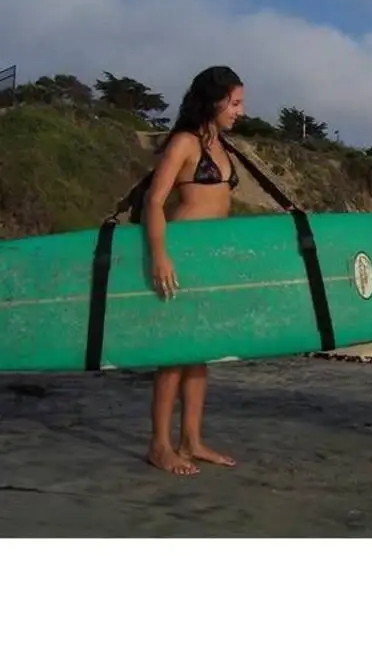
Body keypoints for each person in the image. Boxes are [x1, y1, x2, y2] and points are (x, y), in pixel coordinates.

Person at [142, 65, 245, 476]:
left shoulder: (222, 144)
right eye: (234, 103)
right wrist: (159, 255)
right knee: (175, 353)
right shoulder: (184, 143)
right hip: (181, 257)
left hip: (210, 261)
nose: (240, 111)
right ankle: (159, 445)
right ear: (214, 101)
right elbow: (154, 201)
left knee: (199, 351)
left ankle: (192, 440)